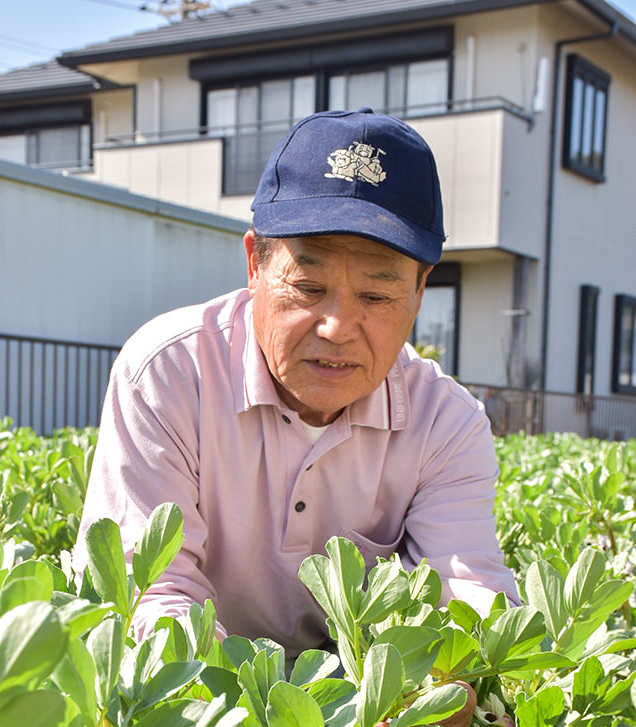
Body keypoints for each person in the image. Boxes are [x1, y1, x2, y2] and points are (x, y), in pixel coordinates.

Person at [74, 108, 520, 657]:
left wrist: (436, 682)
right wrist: (247, 722)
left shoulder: (446, 424)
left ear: (420, 292)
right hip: (202, 703)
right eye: (308, 286)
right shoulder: (168, 373)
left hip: (362, 709)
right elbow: (148, 592)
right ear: (254, 263)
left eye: (376, 297)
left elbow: (467, 594)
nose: (336, 328)